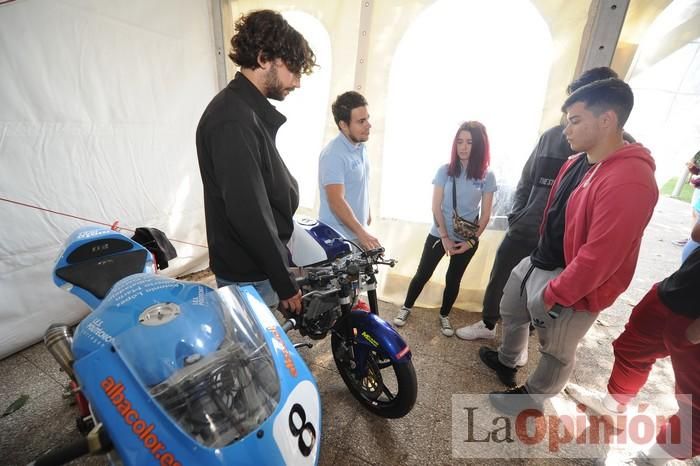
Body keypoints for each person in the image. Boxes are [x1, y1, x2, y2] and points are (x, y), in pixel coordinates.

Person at [479, 78, 659, 415]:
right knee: (511, 310)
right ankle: (508, 360)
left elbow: (600, 257)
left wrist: (554, 293)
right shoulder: (579, 161)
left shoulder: (630, 179)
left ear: (606, 120)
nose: (566, 131)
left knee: (557, 349)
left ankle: (533, 398)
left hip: (570, 282)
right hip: (538, 259)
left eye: (575, 121)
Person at [456, 67, 630, 341]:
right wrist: (518, 215)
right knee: (502, 275)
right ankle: (489, 323)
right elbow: (527, 178)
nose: (569, 119)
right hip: (525, 228)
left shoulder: (620, 153)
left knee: (542, 294)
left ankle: (527, 337)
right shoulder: (552, 136)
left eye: (577, 110)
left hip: (561, 243)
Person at [195, 10, 316, 314]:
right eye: (293, 70)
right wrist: (284, 281)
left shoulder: (244, 111)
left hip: (255, 268)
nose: (297, 83)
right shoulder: (232, 119)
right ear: (264, 58)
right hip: (248, 273)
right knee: (258, 361)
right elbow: (249, 212)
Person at [566, 220, 700, 465]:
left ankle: (650, 460)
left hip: (693, 322)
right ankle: (613, 405)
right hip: (680, 290)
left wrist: (694, 331)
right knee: (632, 349)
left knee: (696, 410)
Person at [393, 121, 496, 336]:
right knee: (423, 273)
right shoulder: (445, 171)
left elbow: (485, 215)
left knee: (453, 279)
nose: (463, 147)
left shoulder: (487, 176)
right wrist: (445, 237)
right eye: (459, 141)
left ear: (479, 145)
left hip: (467, 239)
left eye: (469, 142)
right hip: (439, 234)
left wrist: (470, 242)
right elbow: (435, 206)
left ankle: (444, 315)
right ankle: (406, 307)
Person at [318, 91, 380, 250]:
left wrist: (367, 212)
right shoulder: (333, 154)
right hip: (338, 239)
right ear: (343, 125)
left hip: (356, 233)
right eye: (361, 121)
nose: (368, 125)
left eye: (367, 119)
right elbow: (336, 201)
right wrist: (361, 232)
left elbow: (360, 183)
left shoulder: (360, 146)